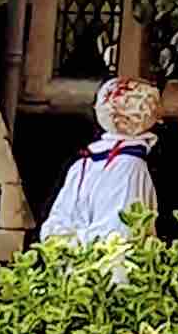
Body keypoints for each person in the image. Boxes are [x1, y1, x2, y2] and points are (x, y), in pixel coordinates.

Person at [37, 75, 162, 247]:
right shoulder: (124, 166)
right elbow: (118, 235)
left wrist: (66, 240)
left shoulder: (91, 163)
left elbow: (116, 233)